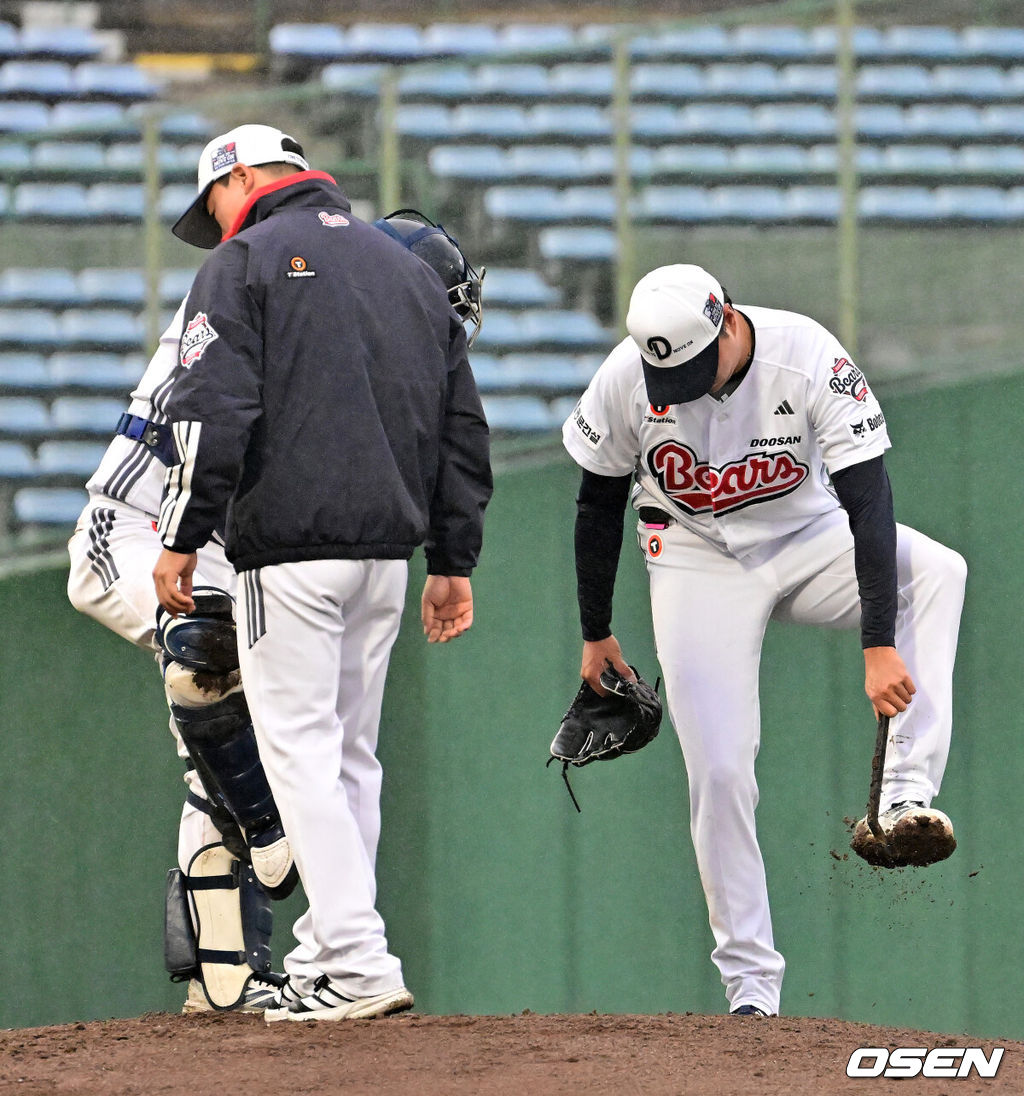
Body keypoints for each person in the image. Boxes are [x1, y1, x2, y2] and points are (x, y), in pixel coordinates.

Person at [67, 126, 485, 1014]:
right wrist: (453, 559)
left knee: (298, 748)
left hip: (269, 541)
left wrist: (188, 539)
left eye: (214, 202)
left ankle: (339, 954)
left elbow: (216, 417)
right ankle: (297, 922)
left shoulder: (251, 264)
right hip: (211, 535)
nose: (213, 224)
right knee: (328, 746)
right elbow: (460, 435)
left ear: (244, 177)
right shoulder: (390, 277)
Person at [561, 263, 966, 1018]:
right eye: (662, 369)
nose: (673, 383)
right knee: (718, 770)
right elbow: (597, 502)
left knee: (938, 572)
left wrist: (880, 642)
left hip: (806, 534)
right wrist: (596, 633)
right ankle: (751, 989)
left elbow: (869, 503)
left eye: (686, 364)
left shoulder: (807, 355)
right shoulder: (627, 376)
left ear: (727, 321)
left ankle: (904, 797)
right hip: (692, 558)